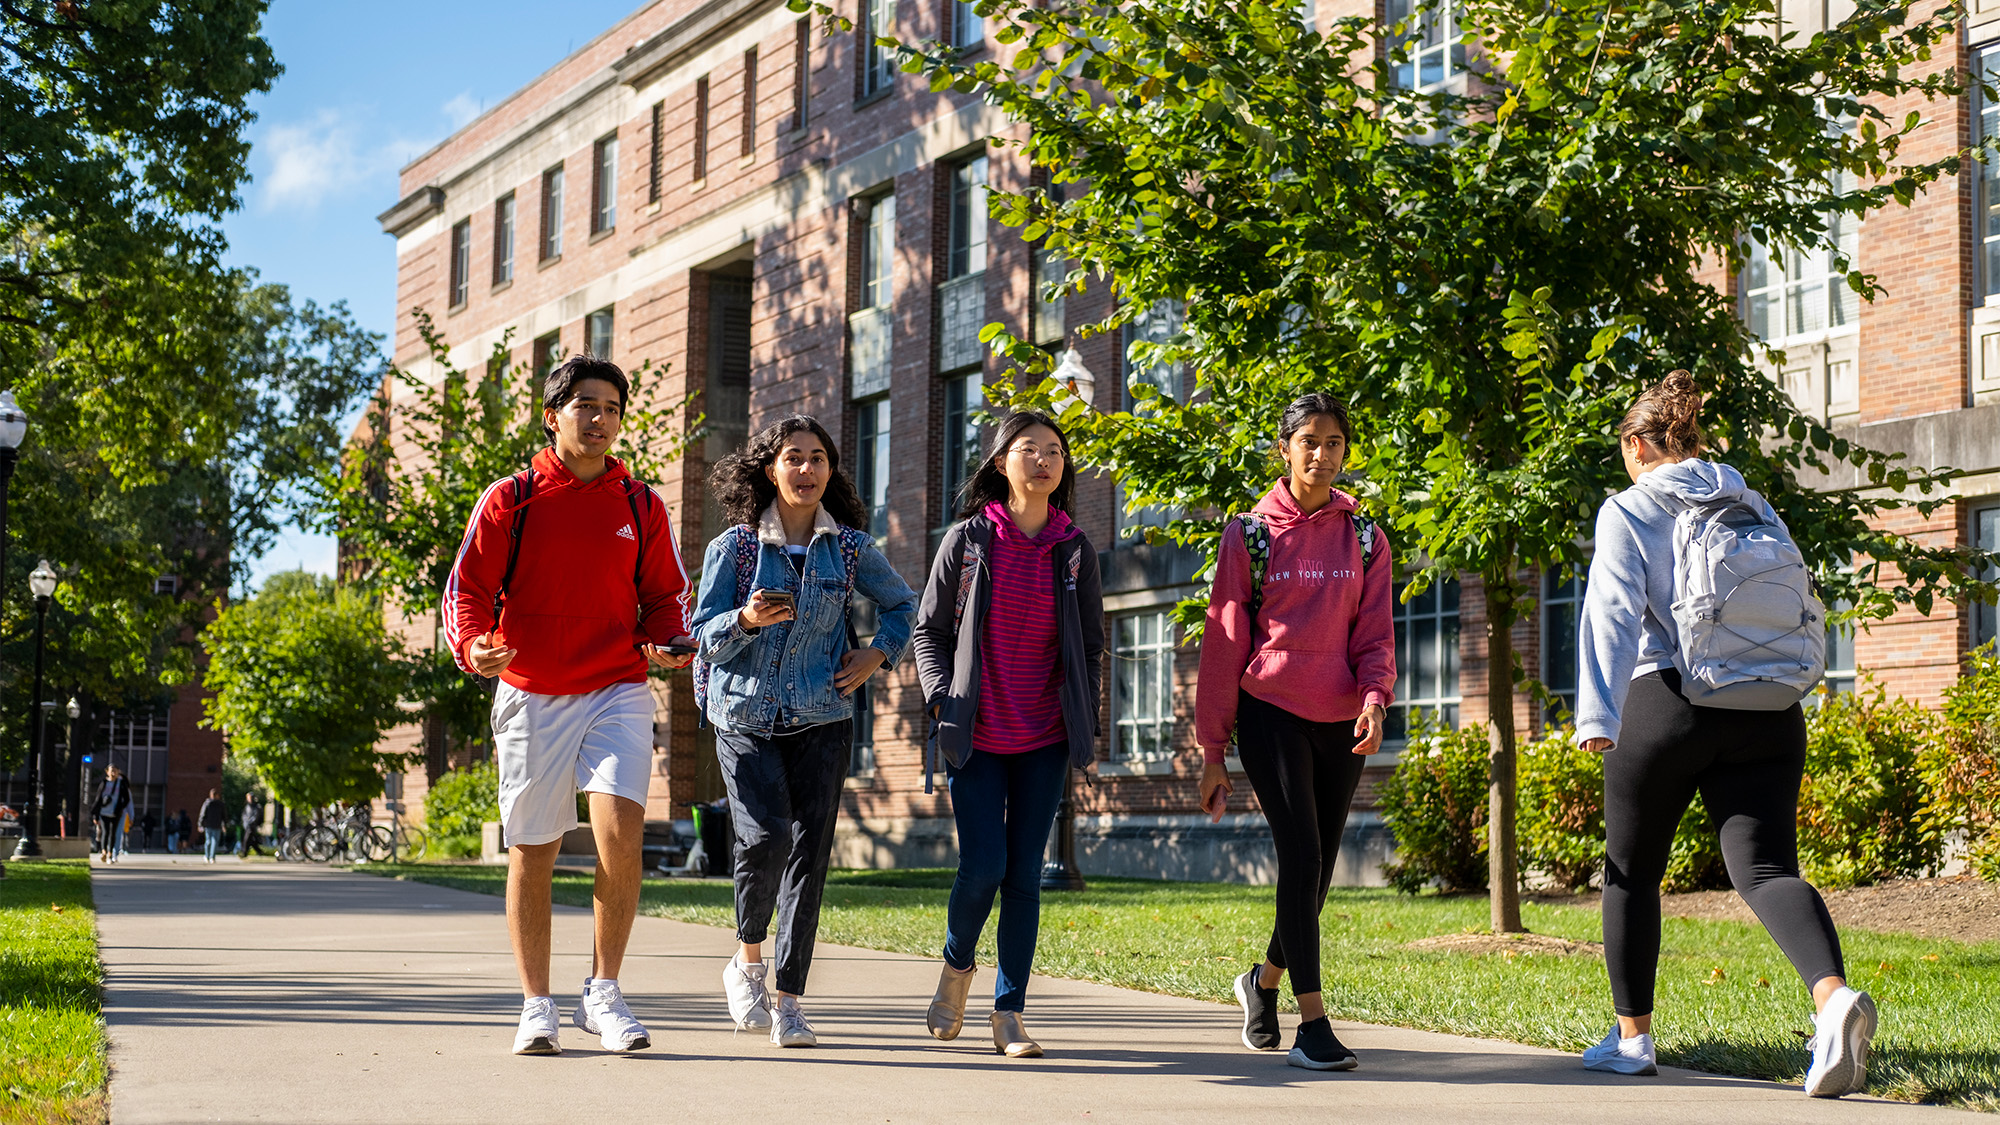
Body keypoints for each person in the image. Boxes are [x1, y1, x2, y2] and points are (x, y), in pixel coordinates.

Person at [1573, 370, 1873, 1097]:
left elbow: (1612, 616)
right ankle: (1832, 999)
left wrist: (1596, 718)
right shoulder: (1750, 497)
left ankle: (1633, 1038)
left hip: (1669, 700)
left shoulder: (1630, 507)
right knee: (1767, 868)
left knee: (1631, 872)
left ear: (1638, 445)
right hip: (1769, 706)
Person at [443, 353, 696, 1057]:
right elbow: (465, 591)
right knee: (535, 848)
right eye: (587, 405)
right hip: (530, 691)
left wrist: (669, 641)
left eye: (613, 408)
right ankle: (536, 1004)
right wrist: (473, 646)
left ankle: (604, 991)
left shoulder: (640, 504)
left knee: (621, 831)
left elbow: (662, 599)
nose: (602, 419)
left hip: (615, 687)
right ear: (553, 416)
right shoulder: (511, 497)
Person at [690, 415, 915, 1049]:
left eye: (819, 459)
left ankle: (789, 1001)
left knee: (808, 857)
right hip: (745, 716)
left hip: (823, 718)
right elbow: (703, 638)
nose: (808, 469)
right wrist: (746, 618)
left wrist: (878, 655)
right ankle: (747, 960)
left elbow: (905, 604)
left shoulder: (848, 548)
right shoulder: (732, 550)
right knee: (764, 839)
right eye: (795, 457)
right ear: (771, 470)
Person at [1195, 393, 1395, 1073]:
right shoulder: (1249, 533)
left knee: (1316, 878)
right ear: (1283, 449)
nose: (1321, 454)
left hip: (1340, 720)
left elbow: (1374, 635)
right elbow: (1222, 645)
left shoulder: (1366, 538)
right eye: (1308, 441)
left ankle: (1263, 982)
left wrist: (1374, 699)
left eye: (1334, 443)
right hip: (1270, 710)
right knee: (1303, 858)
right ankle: (1314, 1025)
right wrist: (1212, 750)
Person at [913, 410, 1104, 1060]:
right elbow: (927, 630)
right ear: (1001, 461)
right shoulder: (968, 541)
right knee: (984, 866)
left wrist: (1083, 714)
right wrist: (940, 696)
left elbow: (1091, 645)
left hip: (1044, 737)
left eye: (1056, 450)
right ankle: (956, 964)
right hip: (978, 730)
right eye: (1031, 449)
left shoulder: (1074, 550)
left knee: (1024, 874)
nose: (1046, 460)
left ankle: (1009, 1011)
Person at [92, 766, 131, 864]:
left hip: (116, 812)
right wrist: (95, 815)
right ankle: (104, 851)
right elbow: (98, 799)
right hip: (104, 812)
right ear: (107, 772)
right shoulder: (104, 783)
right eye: (111, 771)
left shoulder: (121, 783)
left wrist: (121, 807)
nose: (113, 773)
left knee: (113, 833)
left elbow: (127, 797)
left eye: (115, 771)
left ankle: (110, 853)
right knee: (105, 832)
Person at [198, 788, 226, 863]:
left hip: (215, 825)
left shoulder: (220, 804)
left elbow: (224, 816)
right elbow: (203, 814)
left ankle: (211, 857)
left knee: (213, 842)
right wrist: (200, 824)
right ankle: (208, 856)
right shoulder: (208, 803)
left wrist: (224, 825)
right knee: (210, 841)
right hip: (209, 825)